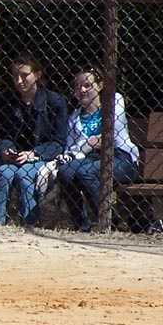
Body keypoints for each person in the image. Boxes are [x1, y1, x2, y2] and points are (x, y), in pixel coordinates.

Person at [0, 54, 67, 226]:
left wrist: (33, 154)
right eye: (15, 75)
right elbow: (1, 134)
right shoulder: (6, 101)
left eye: (24, 75)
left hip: (40, 157)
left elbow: (59, 142)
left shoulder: (55, 102)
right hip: (14, 157)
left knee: (23, 174)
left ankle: (30, 223)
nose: (19, 81)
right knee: (4, 172)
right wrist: (5, 150)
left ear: (37, 75)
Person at [55, 66, 139, 232]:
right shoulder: (75, 117)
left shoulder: (114, 101)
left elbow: (111, 135)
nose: (82, 90)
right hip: (90, 159)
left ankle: (110, 224)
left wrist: (84, 146)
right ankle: (82, 225)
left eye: (87, 85)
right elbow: (70, 149)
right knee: (65, 171)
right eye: (77, 86)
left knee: (85, 172)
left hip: (120, 156)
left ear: (100, 86)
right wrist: (88, 144)